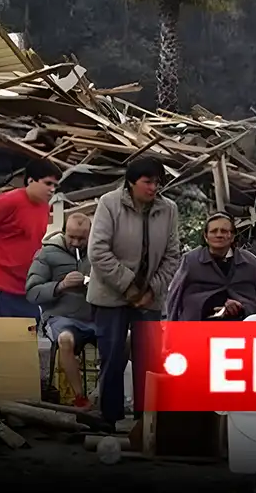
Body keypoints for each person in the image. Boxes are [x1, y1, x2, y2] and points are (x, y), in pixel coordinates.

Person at [87, 157, 181, 424]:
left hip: (150, 297)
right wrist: (129, 287)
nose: (153, 188)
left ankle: (146, 421)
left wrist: (151, 290)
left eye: (157, 182)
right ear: (131, 182)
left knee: (149, 360)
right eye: (147, 182)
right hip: (111, 294)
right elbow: (98, 251)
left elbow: (173, 254)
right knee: (113, 356)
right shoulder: (109, 203)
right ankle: (110, 417)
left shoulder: (168, 209)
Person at [0, 159, 60, 320]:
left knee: (26, 339)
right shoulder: (9, 201)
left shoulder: (44, 208)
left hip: (27, 287)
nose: (52, 190)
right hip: (0, 286)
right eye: (48, 184)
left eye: (55, 186)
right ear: (31, 180)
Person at [25, 213, 96, 408]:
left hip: (95, 315)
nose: (75, 242)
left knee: (125, 339)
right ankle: (80, 396)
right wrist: (60, 286)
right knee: (66, 340)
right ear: (63, 232)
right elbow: (32, 292)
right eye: (71, 237)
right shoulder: (47, 254)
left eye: (82, 238)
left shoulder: (98, 250)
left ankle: (103, 393)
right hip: (60, 316)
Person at [166, 212, 256, 321]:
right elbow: (175, 295)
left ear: (232, 236)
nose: (219, 235)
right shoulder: (191, 260)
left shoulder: (250, 262)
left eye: (224, 231)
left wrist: (240, 308)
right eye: (214, 231)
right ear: (206, 237)